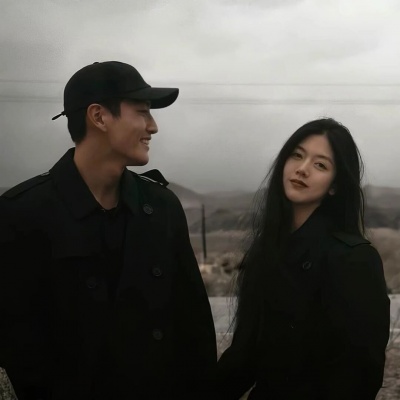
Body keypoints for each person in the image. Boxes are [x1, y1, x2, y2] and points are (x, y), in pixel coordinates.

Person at [0, 61, 217, 400]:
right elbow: (18, 343)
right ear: (99, 117)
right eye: (142, 112)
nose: (153, 126)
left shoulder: (162, 208)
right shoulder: (22, 213)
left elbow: (195, 330)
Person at [215, 118, 390, 399]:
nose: (302, 169)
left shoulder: (354, 259)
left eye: (320, 165)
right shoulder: (266, 251)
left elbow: (359, 375)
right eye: (297, 155)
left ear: (334, 186)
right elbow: (244, 356)